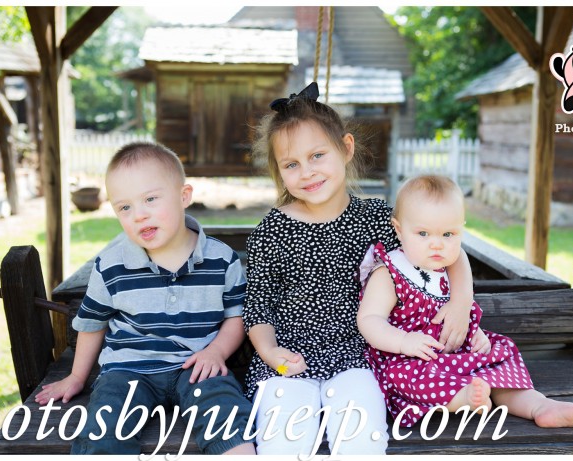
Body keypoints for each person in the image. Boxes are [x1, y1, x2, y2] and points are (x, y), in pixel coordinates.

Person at [242, 82, 476, 455]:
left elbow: (448, 252)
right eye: (291, 164)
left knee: (361, 437)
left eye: (317, 155)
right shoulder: (272, 231)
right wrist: (268, 351)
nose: (307, 172)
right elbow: (259, 304)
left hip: (359, 356)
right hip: (287, 360)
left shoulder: (379, 219)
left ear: (346, 148)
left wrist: (462, 301)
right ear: (279, 172)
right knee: (283, 440)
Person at [34, 142, 256, 455]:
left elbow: (237, 314)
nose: (139, 215)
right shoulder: (111, 266)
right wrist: (76, 376)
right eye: (124, 207)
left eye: (150, 199)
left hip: (196, 364)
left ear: (184, 196)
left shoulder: (221, 259)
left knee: (224, 406)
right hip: (129, 369)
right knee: (105, 423)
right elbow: (92, 323)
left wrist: (217, 351)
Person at [357, 174, 573, 428]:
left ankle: (539, 406)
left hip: (459, 355)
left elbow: (459, 314)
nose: (436, 244)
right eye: (423, 233)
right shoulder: (390, 272)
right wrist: (404, 342)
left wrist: (475, 334)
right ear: (399, 230)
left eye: (448, 234)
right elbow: (369, 320)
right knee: (402, 377)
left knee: (497, 354)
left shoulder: (447, 269)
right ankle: (464, 399)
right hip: (412, 359)